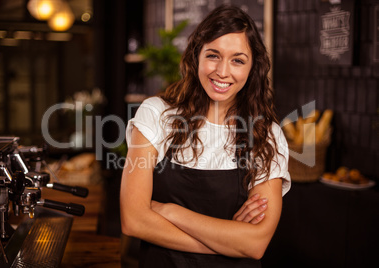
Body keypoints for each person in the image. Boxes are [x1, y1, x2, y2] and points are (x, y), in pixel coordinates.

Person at [120, 4, 291, 267]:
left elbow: (255, 245)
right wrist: (230, 242)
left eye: (237, 60)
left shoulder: (266, 134)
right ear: (195, 56)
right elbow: (134, 220)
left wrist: (169, 211)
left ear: (252, 67)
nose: (223, 71)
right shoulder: (156, 115)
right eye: (213, 55)